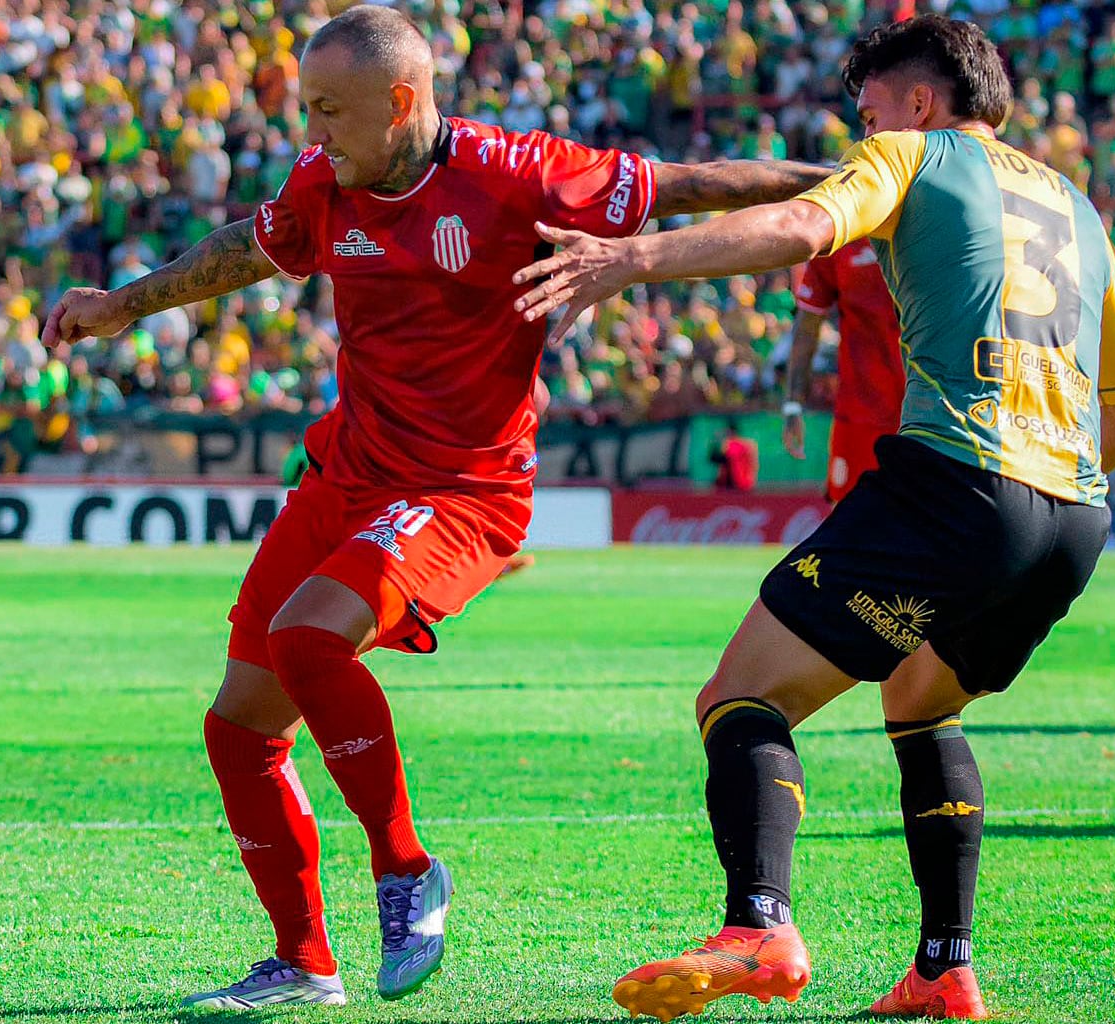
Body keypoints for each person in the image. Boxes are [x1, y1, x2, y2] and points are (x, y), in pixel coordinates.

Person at [42, 5, 828, 1010]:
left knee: (309, 639)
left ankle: (406, 868)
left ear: (401, 101)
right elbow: (247, 248)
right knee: (239, 726)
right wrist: (126, 303)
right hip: (345, 473)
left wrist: (865, 189)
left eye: (329, 110)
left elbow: (691, 186)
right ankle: (304, 962)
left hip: (461, 491)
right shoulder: (323, 182)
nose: (311, 132)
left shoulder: (518, 172)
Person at [512, 16, 1115, 1021]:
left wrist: (635, 260)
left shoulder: (908, 152)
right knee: (919, 699)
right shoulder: (1077, 202)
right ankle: (945, 967)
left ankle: (759, 924)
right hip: (1073, 516)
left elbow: (803, 229)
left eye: (868, 110)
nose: (861, 129)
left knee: (740, 697)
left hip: (957, 480)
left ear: (919, 101)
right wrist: (1040, 494)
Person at [784, 237, 905, 501]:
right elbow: (806, 327)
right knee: (846, 519)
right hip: (860, 413)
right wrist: (793, 404)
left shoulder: (926, 223)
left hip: (927, 413)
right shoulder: (838, 239)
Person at [710, 418, 758, 491]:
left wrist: (715, 440)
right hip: (747, 481)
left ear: (730, 432)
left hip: (736, 482)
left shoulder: (731, 444)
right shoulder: (748, 443)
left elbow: (715, 458)